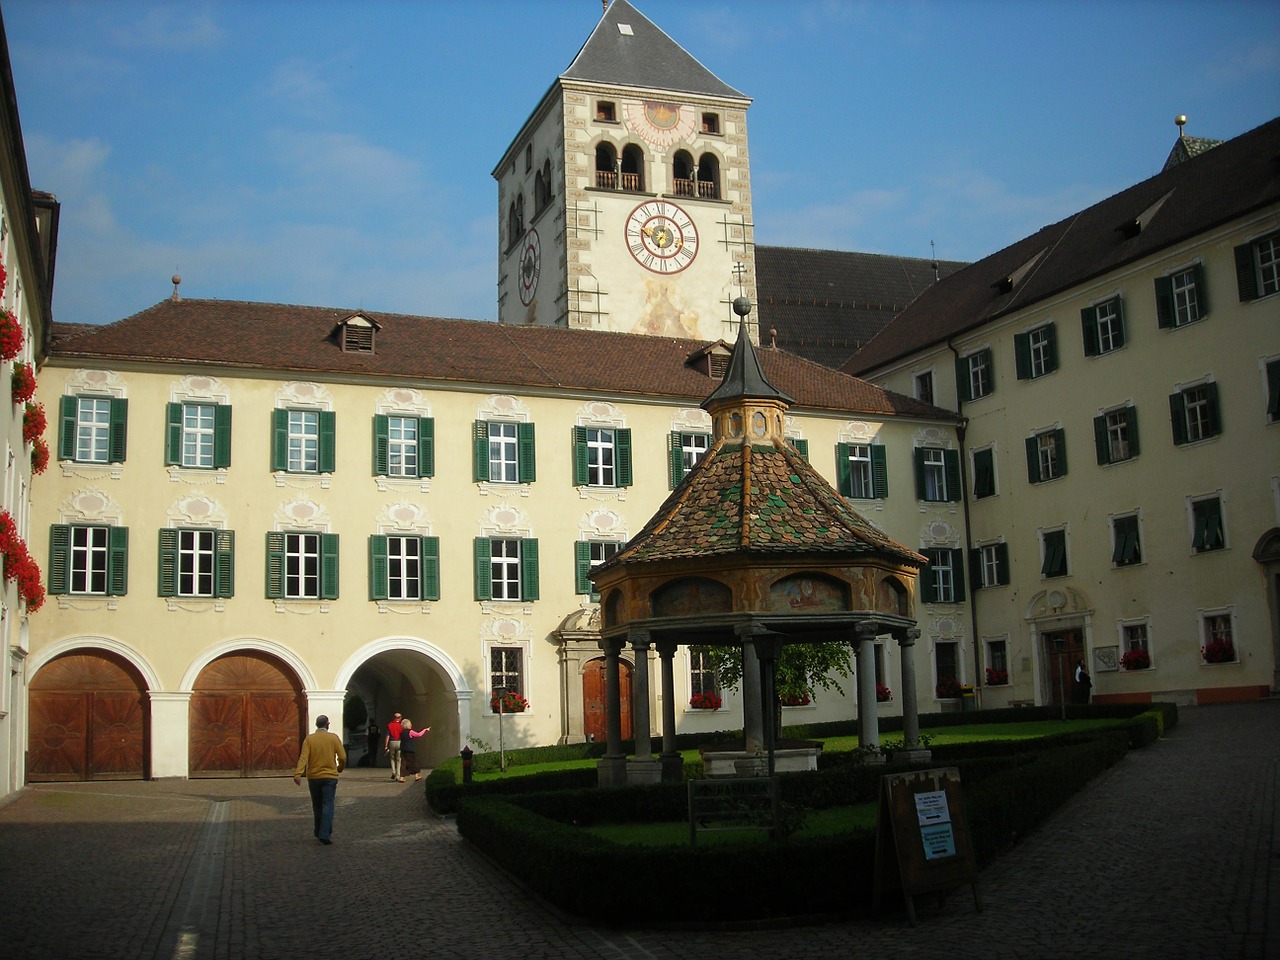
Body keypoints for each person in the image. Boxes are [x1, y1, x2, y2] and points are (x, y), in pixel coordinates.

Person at [293, 715, 346, 845]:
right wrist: (340, 767)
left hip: (314, 777)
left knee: (317, 805)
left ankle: (318, 831)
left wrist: (298, 774)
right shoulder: (333, 738)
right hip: (330, 776)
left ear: (316, 724)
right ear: (327, 724)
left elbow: (303, 757)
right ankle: (325, 833)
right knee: (328, 804)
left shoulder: (309, 739)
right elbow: (343, 756)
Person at [396, 717, 430, 783]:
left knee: (403, 763)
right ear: (408, 725)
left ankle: (401, 777)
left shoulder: (401, 732)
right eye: (410, 724)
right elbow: (418, 735)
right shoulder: (410, 732)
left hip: (403, 750)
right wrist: (425, 730)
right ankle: (416, 776)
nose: (411, 725)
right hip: (410, 750)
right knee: (413, 763)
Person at [383, 712, 403, 782]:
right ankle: (398, 775)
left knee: (392, 758)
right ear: (400, 718)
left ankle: (393, 771)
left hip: (392, 742)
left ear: (393, 717)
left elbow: (387, 736)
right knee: (398, 759)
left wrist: (386, 745)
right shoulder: (401, 725)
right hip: (399, 742)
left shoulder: (390, 725)